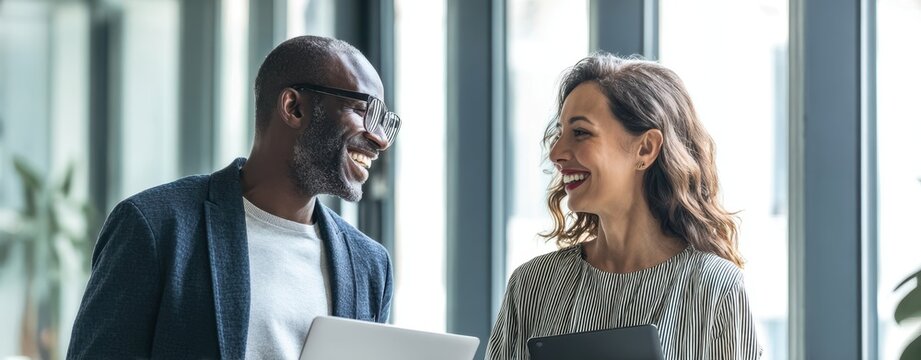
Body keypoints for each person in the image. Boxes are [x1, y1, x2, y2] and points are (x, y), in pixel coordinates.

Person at [67, 35, 400, 359]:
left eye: (386, 122)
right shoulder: (155, 228)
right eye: (363, 110)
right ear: (294, 107)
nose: (381, 139)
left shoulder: (370, 265)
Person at [486, 53, 761, 360]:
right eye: (560, 133)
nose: (557, 153)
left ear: (645, 148)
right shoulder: (533, 284)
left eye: (580, 133)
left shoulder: (716, 288)